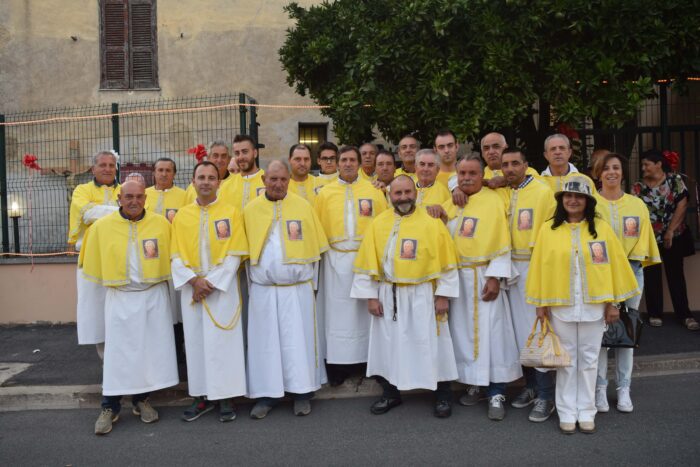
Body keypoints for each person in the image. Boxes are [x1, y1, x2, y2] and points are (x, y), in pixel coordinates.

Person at [526, 175, 639, 434]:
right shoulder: (548, 230)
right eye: (568, 196)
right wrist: (541, 304)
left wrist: (613, 304)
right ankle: (566, 411)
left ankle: (586, 411)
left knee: (588, 359)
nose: (573, 200)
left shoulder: (602, 229)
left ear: (588, 201)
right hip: (560, 306)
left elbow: (614, 267)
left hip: (594, 307)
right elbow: (539, 268)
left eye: (579, 196)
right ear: (561, 200)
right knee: (565, 360)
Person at [351, 175, 459, 417]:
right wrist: (370, 296)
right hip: (389, 294)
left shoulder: (432, 224)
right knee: (389, 346)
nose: (403, 198)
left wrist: (443, 295)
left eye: (407, 192)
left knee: (432, 344)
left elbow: (448, 264)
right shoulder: (378, 223)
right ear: (390, 195)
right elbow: (367, 262)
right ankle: (391, 394)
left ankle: (442, 396)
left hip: (423, 294)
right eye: (398, 193)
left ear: (416, 192)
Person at [79, 180, 178, 435]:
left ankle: (141, 401)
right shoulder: (102, 228)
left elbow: (174, 258)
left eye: (138, 196)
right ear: (119, 198)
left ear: (145, 198)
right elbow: (92, 271)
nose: (134, 201)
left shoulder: (161, 224)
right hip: (120, 297)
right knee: (116, 356)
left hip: (151, 296)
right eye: (128, 196)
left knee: (146, 352)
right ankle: (109, 406)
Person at [244, 160, 329, 419]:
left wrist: (313, 287)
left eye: (282, 179)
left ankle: (302, 393)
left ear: (289, 181)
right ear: (263, 181)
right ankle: (266, 396)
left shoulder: (303, 207)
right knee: (265, 345)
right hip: (264, 291)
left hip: (297, 289)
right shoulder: (250, 211)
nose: (278, 184)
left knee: (298, 343)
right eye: (273, 179)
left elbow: (316, 254)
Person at [443, 156, 521, 421]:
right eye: (462, 173)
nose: (466, 177)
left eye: (472, 173)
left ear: (481, 175)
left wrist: (495, 277)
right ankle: (474, 382)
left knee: (493, 335)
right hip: (458, 281)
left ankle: (497, 391)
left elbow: (502, 239)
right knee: (464, 335)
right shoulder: (452, 203)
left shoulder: (493, 201)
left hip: (483, 276)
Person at [171, 161, 249, 423]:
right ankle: (201, 397)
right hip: (192, 288)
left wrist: (210, 283)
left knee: (223, 344)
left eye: (211, 177)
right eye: (201, 177)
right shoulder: (181, 216)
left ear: (219, 182)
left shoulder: (231, 212)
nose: (205, 181)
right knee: (195, 344)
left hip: (221, 289)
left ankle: (226, 397)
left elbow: (235, 254)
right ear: (193, 182)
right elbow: (174, 256)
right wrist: (194, 281)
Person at [314, 146, 388, 386]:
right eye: (342, 160)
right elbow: (317, 228)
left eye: (351, 160)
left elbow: (384, 225)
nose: (347, 164)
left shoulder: (374, 191)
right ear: (337, 163)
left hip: (364, 258)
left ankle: (369, 362)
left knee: (366, 313)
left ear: (359, 163)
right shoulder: (325, 193)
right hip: (335, 261)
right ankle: (338, 365)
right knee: (337, 315)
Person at [594, 153, 661, 414]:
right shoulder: (592, 204)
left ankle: (623, 389)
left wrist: (627, 269)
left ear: (623, 173)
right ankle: (600, 389)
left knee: (627, 332)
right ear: (598, 173)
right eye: (606, 168)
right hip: (599, 274)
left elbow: (642, 243)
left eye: (616, 168)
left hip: (631, 273)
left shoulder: (636, 205)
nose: (611, 172)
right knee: (600, 334)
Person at [499, 148, 557, 422]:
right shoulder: (502, 191)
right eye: (505, 165)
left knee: (539, 332)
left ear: (526, 165)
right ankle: (531, 386)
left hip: (533, 268)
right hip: (508, 269)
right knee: (519, 334)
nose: (510, 169)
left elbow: (551, 234)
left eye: (515, 164)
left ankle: (547, 396)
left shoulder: (542, 191)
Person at [632, 149, 699, 330]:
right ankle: (654, 313)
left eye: (646, 164)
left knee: (676, 274)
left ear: (658, 164)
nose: (643, 167)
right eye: (643, 164)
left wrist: (670, 230)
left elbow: (682, 204)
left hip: (673, 236)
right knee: (651, 275)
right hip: (648, 238)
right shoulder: (638, 187)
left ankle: (684, 315)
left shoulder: (674, 180)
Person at [69, 150, 121, 354]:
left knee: (120, 310)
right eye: (103, 165)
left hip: (119, 258)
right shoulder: (82, 190)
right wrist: (122, 211)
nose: (108, 169)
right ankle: (105, 363)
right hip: (91, 258)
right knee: (97, 311)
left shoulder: (125, 189)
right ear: (93, 168)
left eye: (111, 165)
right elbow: (88, 214)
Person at [219, 135, 265, 210]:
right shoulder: (225, 187)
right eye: (237, 153)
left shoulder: (269, 181)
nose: (240, 157)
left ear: (255, 153)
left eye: (245, 152)